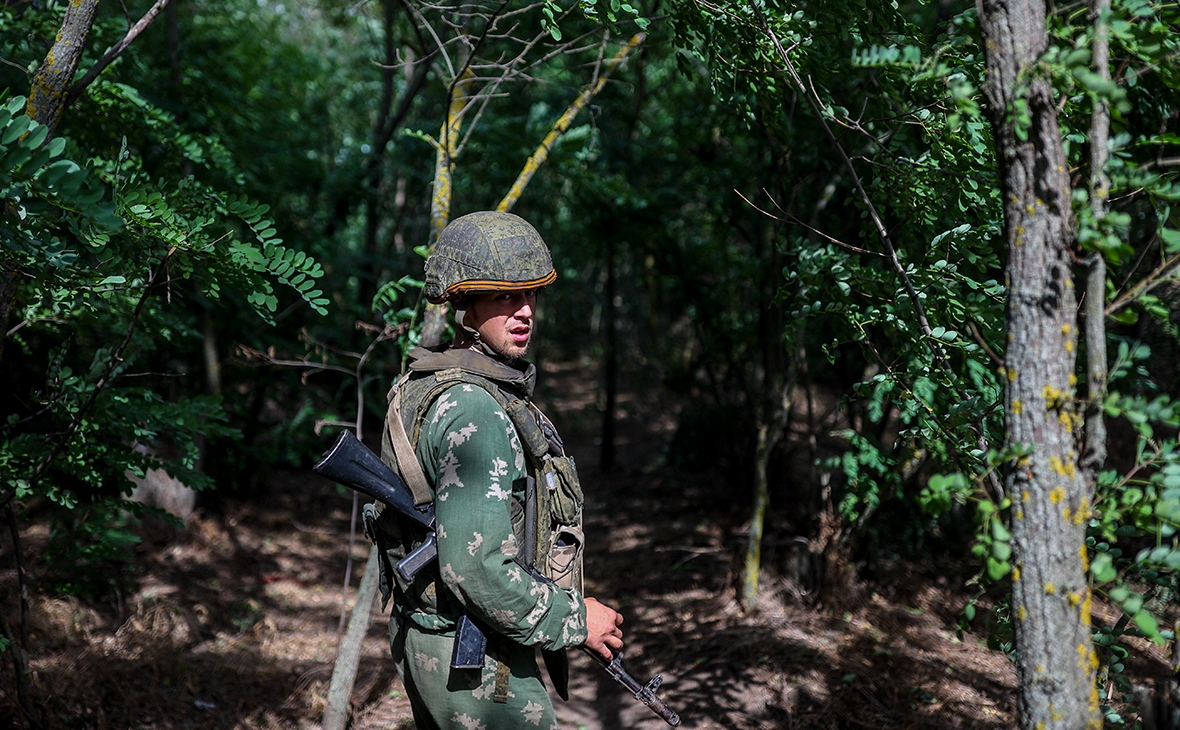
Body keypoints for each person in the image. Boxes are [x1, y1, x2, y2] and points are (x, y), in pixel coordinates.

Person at [365, 211, 624, 730]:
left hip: (441, 640)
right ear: (464, 303)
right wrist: (575, 621)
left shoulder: (430, 385)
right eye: (504, 296)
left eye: (531, 296)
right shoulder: (473, 409)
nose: (525, 311)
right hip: (474, 660)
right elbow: (475, 566)